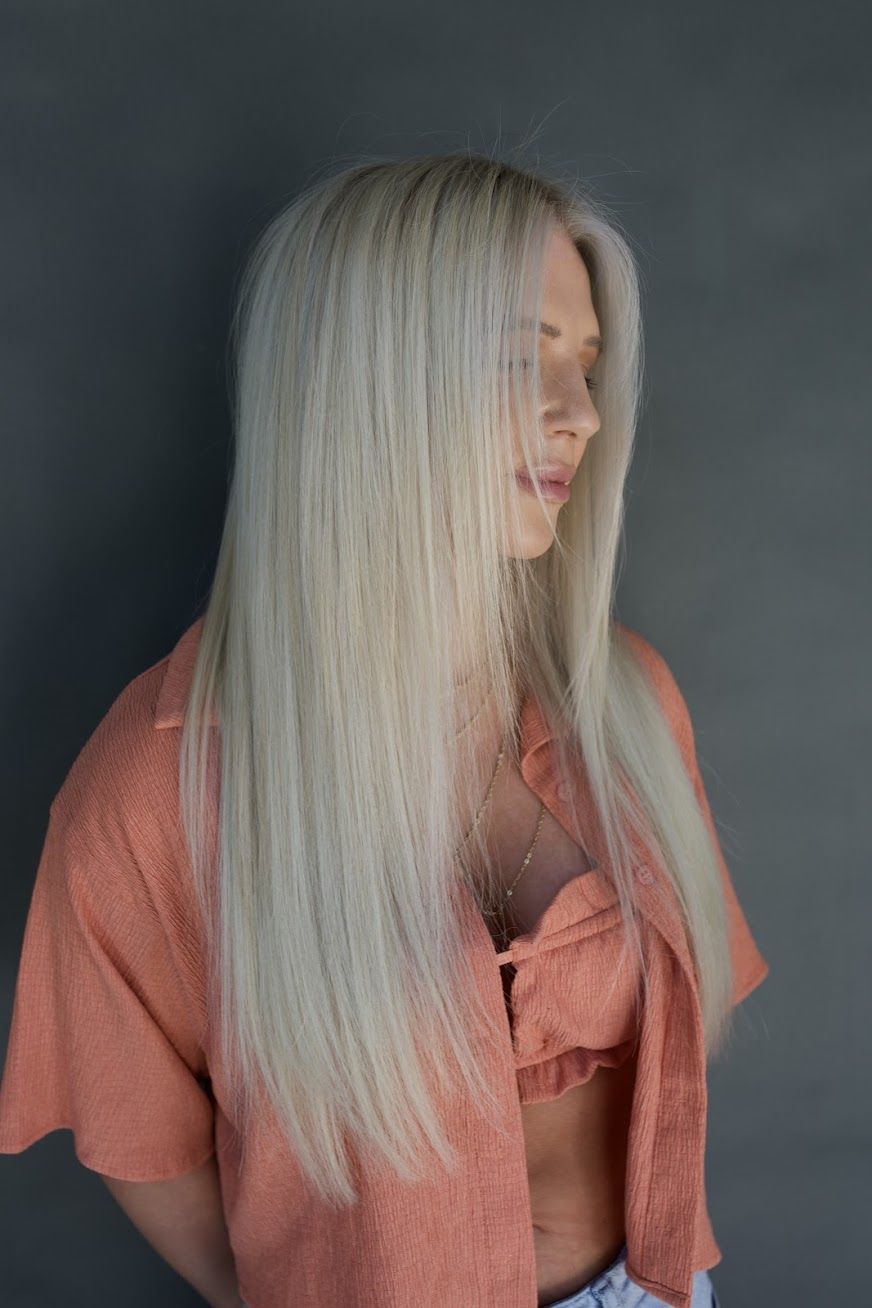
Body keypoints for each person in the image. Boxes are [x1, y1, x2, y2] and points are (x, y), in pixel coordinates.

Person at [0, 152, 768, 1308]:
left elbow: (687, 1025)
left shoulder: (622, 704)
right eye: (526, 362)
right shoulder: (159, 787)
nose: (582, 416)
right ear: (368, 384)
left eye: (588, 366)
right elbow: (141, 1136)